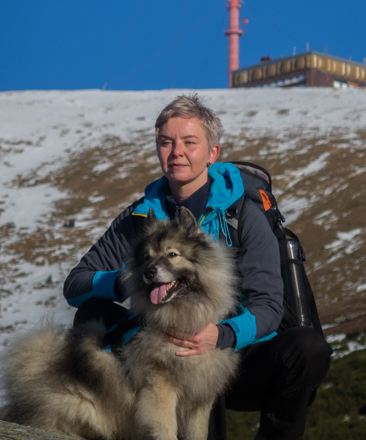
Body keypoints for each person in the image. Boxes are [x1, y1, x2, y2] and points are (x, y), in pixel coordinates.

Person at [63, 94, 332, 440]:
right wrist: (129, 280)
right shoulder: (140, 217)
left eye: (190, 142)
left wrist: (221, 336)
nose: (177, 152)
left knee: (307, 349)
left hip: (240, 356)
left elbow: (267, 304)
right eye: (166, 142)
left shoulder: (243, 214)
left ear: (212, 153)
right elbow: (76, 284)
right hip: (165, 357)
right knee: (91, 313)